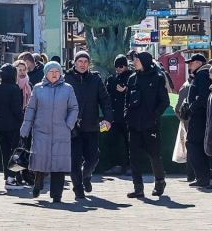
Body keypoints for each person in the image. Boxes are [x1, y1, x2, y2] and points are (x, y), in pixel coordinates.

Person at [21, 62, 79, 203]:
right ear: (46, 73)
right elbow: (31, 109)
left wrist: (68, 125)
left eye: (57, 71)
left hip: (61, 132)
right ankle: (38, 182)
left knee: (58, 164)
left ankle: (56, 195)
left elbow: (74, 108)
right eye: (51, 71)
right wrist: (25, 129)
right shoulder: (38, 89)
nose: (54, 74)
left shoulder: (67, 89)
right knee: (40, 162)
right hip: (41, 132)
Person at [64, 51, 113, 199]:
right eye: (80, 61)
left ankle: (87, 176)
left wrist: (108, 119)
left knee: (93, 157)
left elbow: (105, 100)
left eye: (85, 61)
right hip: (72, 128)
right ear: (75, 62)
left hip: (91, 125)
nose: (83, 64)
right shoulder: (66, 79)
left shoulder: (95, 79)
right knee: (75, 160)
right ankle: (78, 188)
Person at [125, 52, 170, 198]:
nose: (134, 62)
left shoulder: (157, 78)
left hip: (150, 125)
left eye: (137, 60)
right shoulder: (132, 79)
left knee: (154, 155)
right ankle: (138, 188)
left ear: (144, 61)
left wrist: (154, 116)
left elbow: (165, 101)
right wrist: (128, 115)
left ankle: (159, 182)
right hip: (134, 125)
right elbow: (127, 101)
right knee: (134, 158)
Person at [0, 64, 26, 190]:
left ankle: (8, 177)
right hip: (13, 126)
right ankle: (12, 179)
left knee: (5, 153)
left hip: (0, 126)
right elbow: (17, 109)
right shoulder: (14, 89)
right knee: (16, 152)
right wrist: (25, 120)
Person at [185, 53, 212, 187]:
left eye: (192, 63)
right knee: (200, 146)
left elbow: (202, 96)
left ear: (200, 63)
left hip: (199, 116)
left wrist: (191, 108)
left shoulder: (202, 75)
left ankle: (201, 176)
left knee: (192, 144)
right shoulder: (202, 75)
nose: (189, 66)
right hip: (201, 115)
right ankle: (204, 175)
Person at [104, 54, 132, 175]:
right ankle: (116, 165)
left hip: (127, 117)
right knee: (112, 141)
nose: (119, 69)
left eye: (121, 66)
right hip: (114, 117)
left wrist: (126, 90)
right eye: (116, 66)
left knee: (130, 143)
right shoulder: (112, 78)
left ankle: (131, 166)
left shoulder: (132, 77)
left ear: (126, 66)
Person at [174, 73, 195, 182]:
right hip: (191, 122)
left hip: (188, 121)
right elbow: (178, 108)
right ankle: (191, 174)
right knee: (192, 148)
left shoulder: (186, 86)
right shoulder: (187, 87)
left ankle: (191, 174)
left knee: (191, 148)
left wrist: (182, 119)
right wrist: (183, 119)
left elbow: (177, 109)